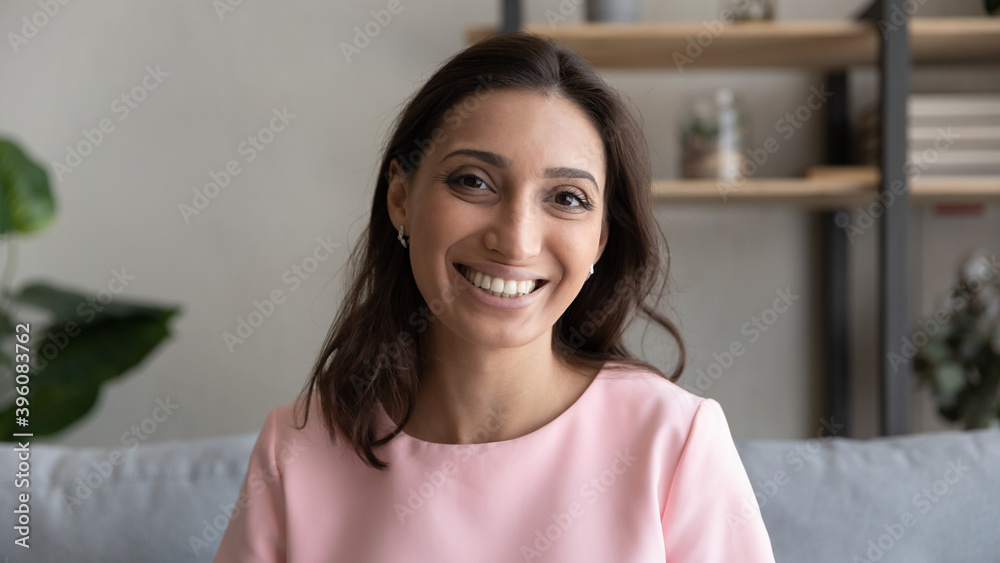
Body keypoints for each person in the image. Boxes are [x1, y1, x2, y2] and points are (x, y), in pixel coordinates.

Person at [214, 31, 775, 562]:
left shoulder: (674, 441)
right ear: (401, 196)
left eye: (567, 197)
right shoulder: (298, 447)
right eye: (473, 181)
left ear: (600, 238)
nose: (516, 240)